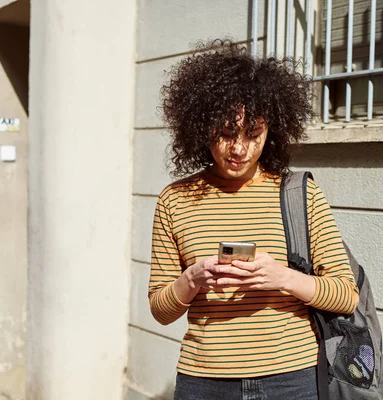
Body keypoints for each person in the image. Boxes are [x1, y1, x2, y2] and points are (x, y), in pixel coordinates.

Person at [148, 39, 359, 400]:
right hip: (205, 382)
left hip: (293, 379)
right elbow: (160, 310)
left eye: (253, 133)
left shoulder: (299, 194)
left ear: (270, 131)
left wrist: (281, 276)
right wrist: (193, 278)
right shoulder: (175, 199)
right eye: (227, 133)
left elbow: (345, 296)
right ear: (202, 127)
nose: (240, 148)